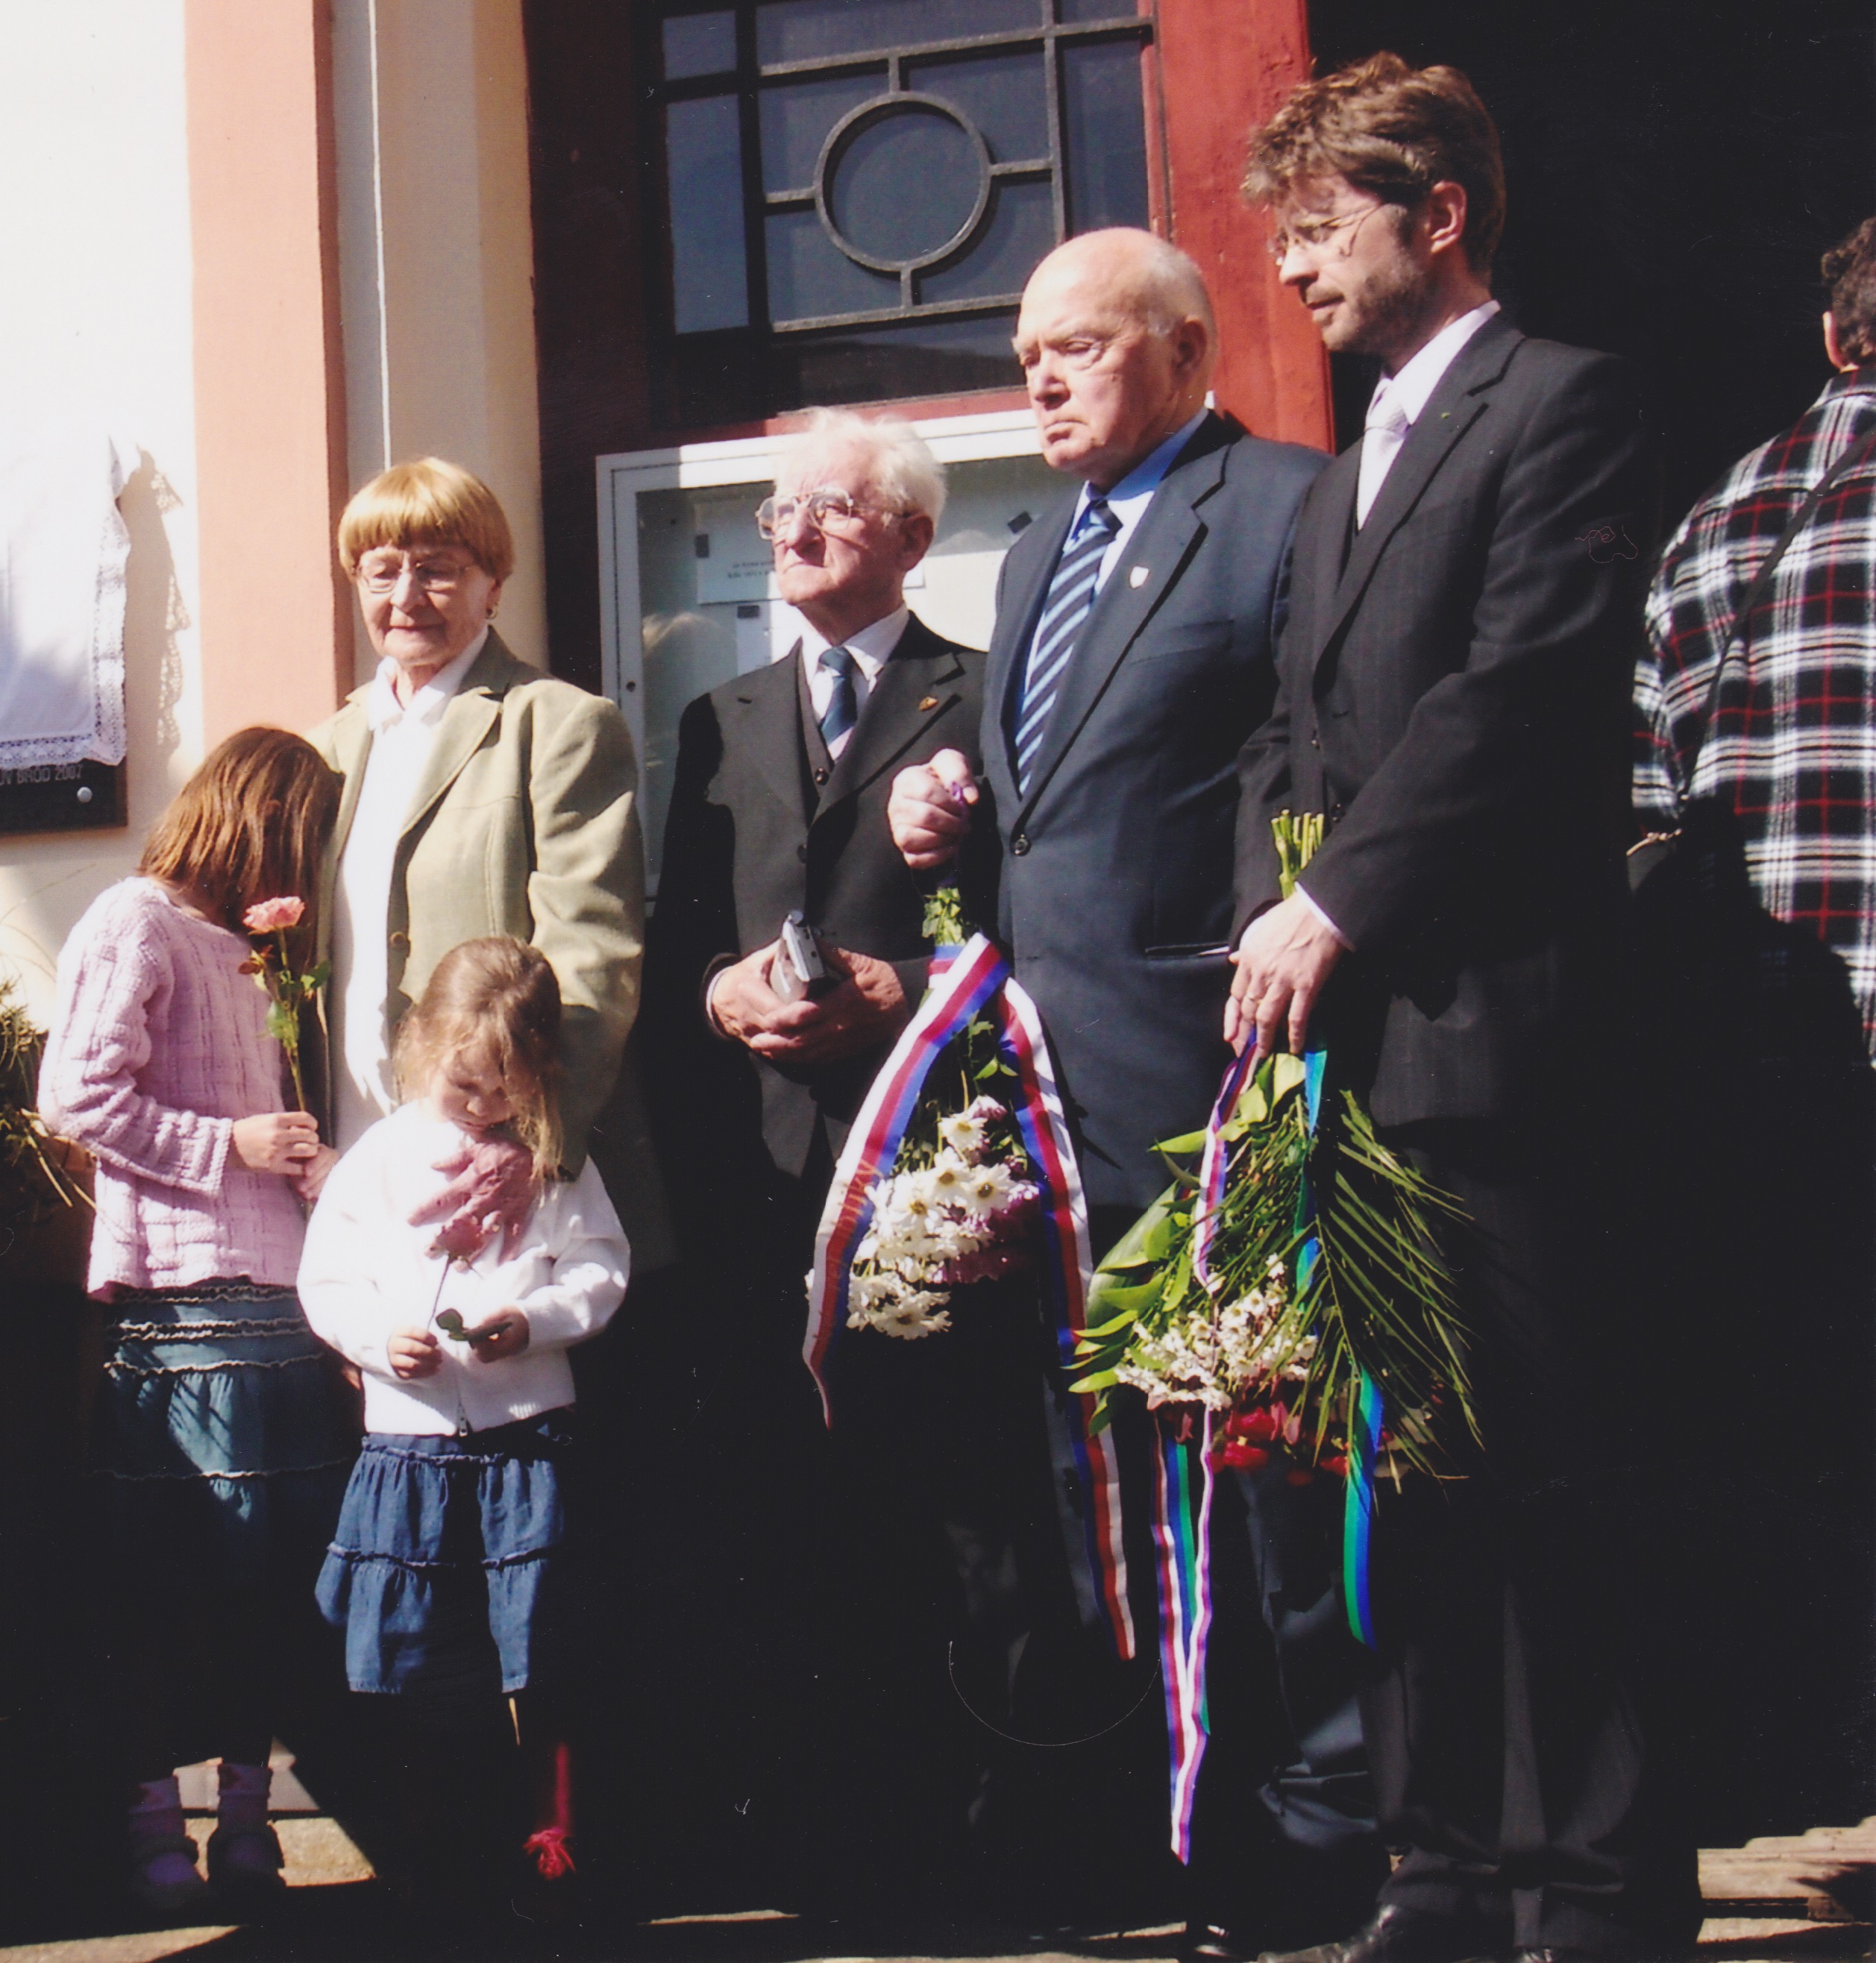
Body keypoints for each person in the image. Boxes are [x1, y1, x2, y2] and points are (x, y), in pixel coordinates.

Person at [1231, 57, 1693, 1963]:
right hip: (1344, 1053)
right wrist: (1264, 922)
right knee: (1395, 1484)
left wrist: (1333, 901)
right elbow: (1288, 736)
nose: (1288, 271)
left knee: (1542, 1478)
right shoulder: (1341, 478)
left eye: (1316, 229)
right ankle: (1431, 1871)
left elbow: (1514, 694)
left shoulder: (1564, 403)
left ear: (1436, 215)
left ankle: (1587, 1888)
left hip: (1496, 1038)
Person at [888, 228, 1375, 1953]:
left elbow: (1310, 765)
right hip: (1057, 1106)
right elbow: (1055, 813)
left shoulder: (1287, 504)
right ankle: (1192, 1822)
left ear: (1180, 349)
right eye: (1024, 353)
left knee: (1264, 1478)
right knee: (1121, 1492)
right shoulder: (1033, 556)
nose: (1035, 379)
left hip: (1217, 1081)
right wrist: (950, 811)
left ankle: (1326, 1832)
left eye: (1074, 347)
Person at [639, 406, 989, 1905]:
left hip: (923, 1167)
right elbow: (676, 939)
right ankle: (796, 1830)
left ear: (910, 533)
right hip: (759, 1175)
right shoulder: (717, 716)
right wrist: (720, 989)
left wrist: (904, 989)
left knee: (921, 1500)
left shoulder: (983, 692)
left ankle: (937, 1830)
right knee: (773, 1499)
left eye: (830, 504)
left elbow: (1018, 917)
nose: (791, 526)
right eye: (777, 507)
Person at [1630, 215, 1876, 1841]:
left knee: (1802, 1414)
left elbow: (1641, 798)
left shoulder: (1715, 516)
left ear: (1835, 340)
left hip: (1762, 1050)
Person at [36, 726, 363, 1917]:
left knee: (269, 1587)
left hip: (282, 1307)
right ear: (260, 818)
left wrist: (308, 1165)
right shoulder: (136, 920)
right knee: (169, 1582)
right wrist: (229, 1145)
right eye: (303, 838)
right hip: (183, 1314)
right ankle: (150, 1822)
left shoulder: (258, 951)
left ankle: (247, 1819)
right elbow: (74, 1095)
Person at [297, 937, 629, 1908]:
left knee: (542, 1646)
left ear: (540, 1073)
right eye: (463, 1085)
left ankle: (553, 1838)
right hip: (411, 1450)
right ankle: (442, 1846)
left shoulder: (552, 1163)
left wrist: (534, 1321)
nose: (482, 1106)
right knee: (423, 1657)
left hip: (526, 1445)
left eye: (503, 1089)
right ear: (421, 1048)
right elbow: (328, 1280)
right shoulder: (379, 1159)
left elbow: (600, 1265)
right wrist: (377, 1340)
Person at [306, 458, 654, 1263]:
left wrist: (531, 1142)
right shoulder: (328, 747)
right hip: (358, 1154)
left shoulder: (557, 725)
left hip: (500, 1160)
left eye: (438, 570)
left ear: (493, 585)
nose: (405, 596)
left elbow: (593, 957)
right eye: (381, 571)